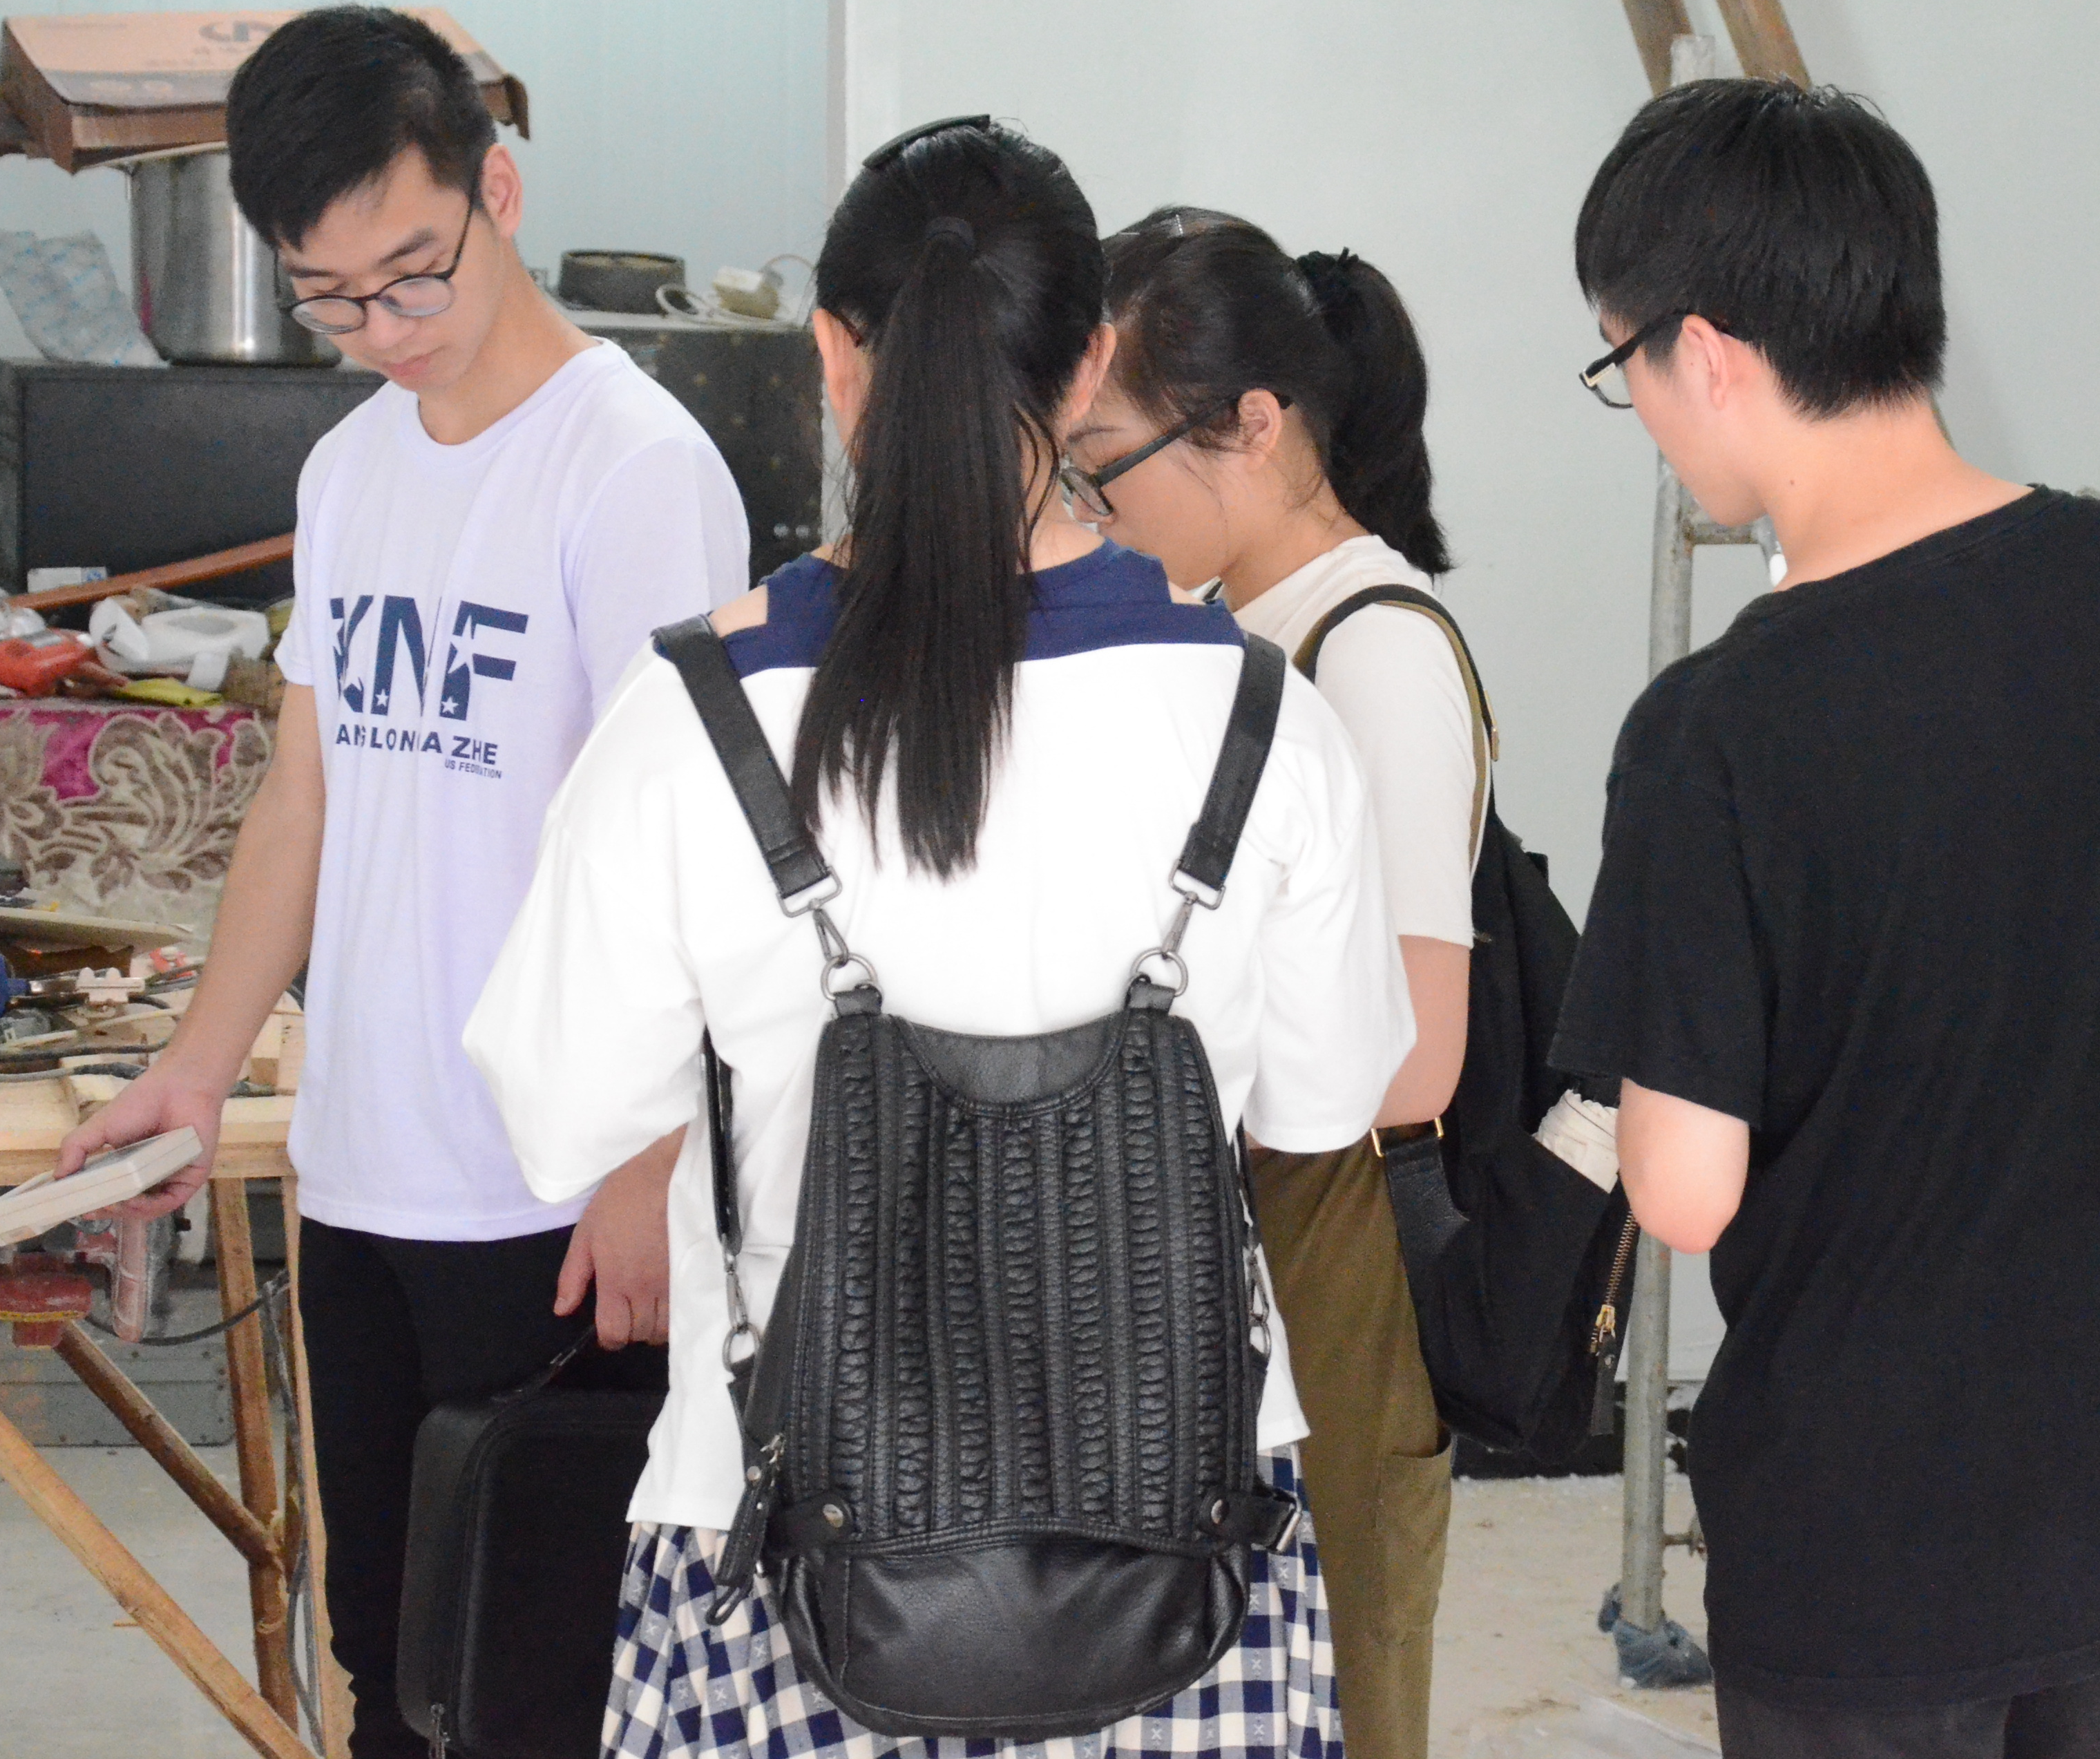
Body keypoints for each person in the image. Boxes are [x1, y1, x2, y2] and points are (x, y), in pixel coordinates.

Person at [460, 120, 1413, 1759]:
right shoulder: (1266, 719)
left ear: (834, 355)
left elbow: (559, 1114)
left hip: (784, 1536)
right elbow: (1324, 1108)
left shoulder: (694, 720)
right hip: (1180, 1542)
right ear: (1091, 358)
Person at [1549, 80, 2100, 1759]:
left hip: (1872, 1525)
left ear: (1703, 353)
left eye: (1617, 364)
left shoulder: (1715, 729)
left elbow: (1687, 1193)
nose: (1636, 409)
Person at [55, 6, 751, 1758]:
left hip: (553, 1190)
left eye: (412, 275)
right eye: (332, 299)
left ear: (498, 193)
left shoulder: (637, 469)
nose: (382, 330)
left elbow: (700, 846)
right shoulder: (352, 464)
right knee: (389, 1658)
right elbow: (306, 797)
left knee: (544, 1684)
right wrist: (201, 1066)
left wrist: (652, 1160)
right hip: (364, 1174)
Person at [1072, 207, 1471, 1759]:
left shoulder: (1373, 648)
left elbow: (1417, 1057)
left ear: (1253, 424)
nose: (1093, 510)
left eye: (1104, 464)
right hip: (1216, 1235)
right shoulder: (1222, 629)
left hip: (1331, 1252)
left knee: (1343, 1691)